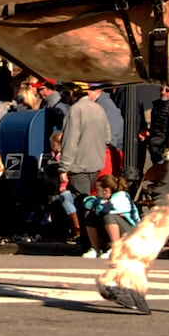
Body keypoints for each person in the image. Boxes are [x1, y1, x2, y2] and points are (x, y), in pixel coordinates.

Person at [59, 83, 110, 243]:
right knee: (93, 201)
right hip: (96, 163)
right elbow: (107, 138)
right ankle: (95, 240)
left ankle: (89, 242)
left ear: (73, 92)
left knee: (83, 203)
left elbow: (70, 142)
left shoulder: (75, 110)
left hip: (78, 165)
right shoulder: (99, 109)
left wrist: (63, 167)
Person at [81, 174, 140, 259]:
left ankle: (116, 249)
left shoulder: (122, 196)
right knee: (90, 216)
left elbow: (106, 209)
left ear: (106, 190)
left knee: (109, 216)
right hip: (114, 229)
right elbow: (86, 203)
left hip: (131, 233)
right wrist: (100, 202)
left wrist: (98, 204)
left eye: (97, 189)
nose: (96, 192)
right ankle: (96, 250)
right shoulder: (101, 199)